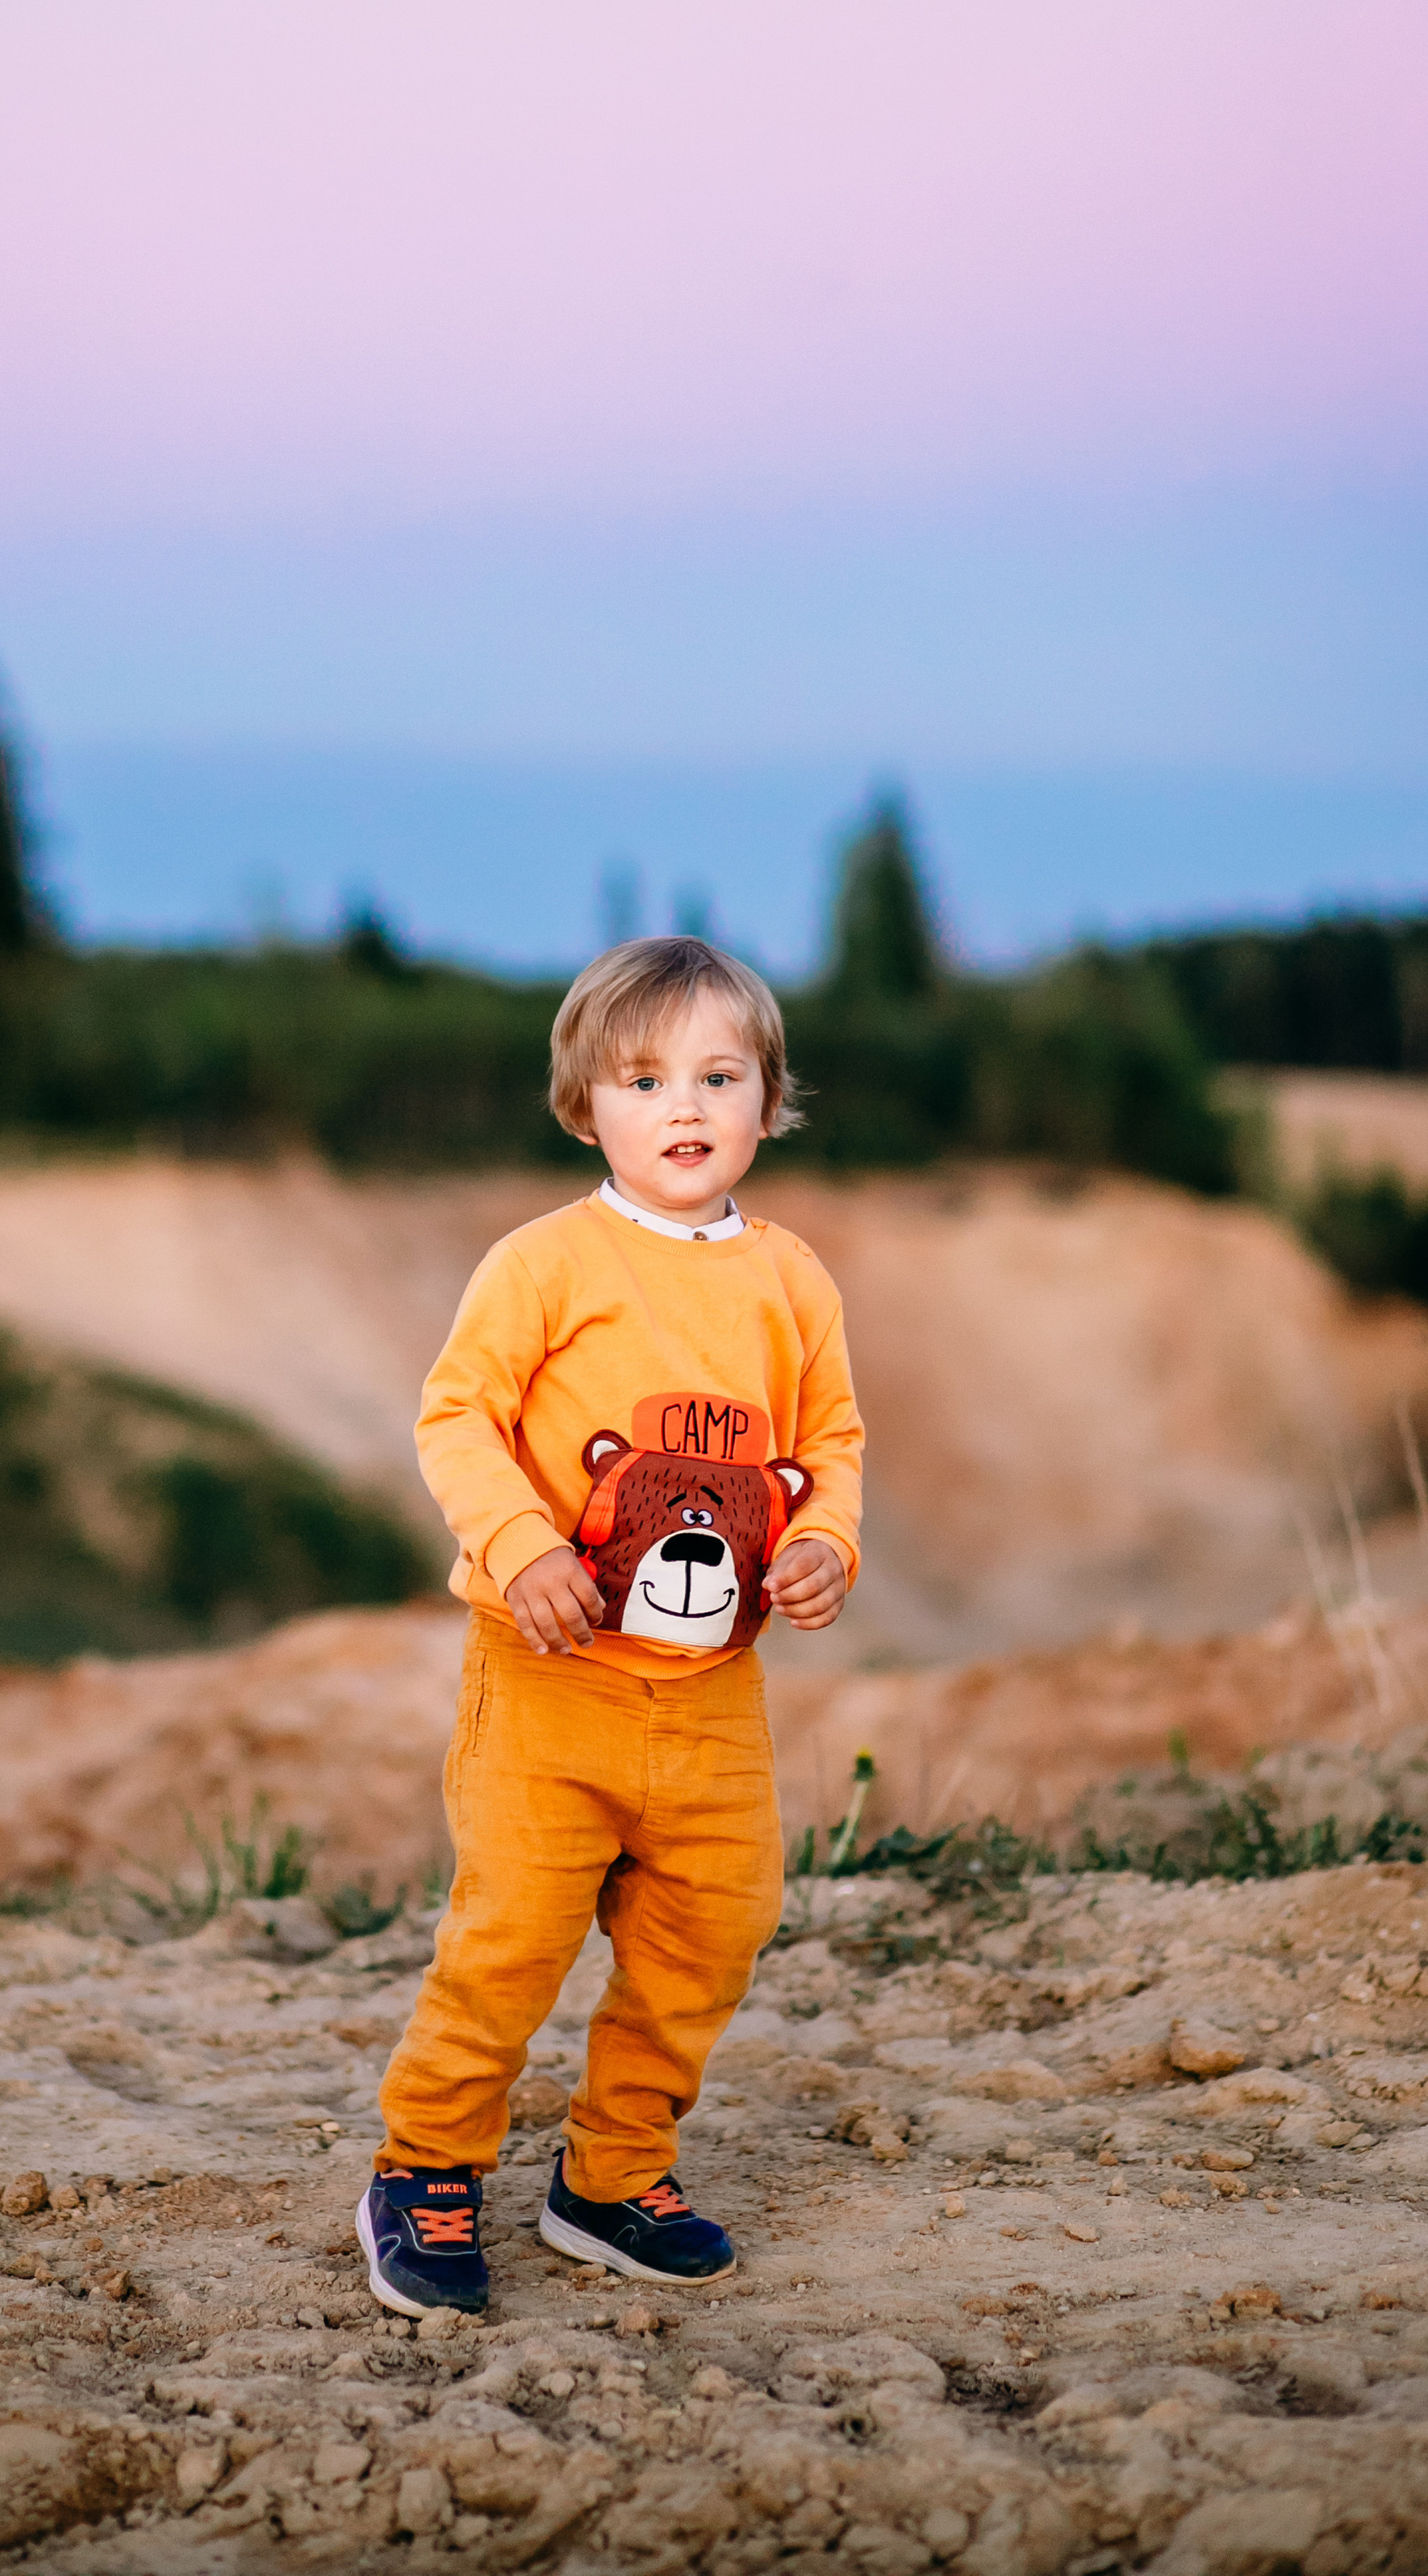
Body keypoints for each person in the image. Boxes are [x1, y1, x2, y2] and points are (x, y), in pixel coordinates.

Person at [358, 935, 864, 2315]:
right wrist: (519, 1545)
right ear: (588, 1104)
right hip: (549, 1673)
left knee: (717, 1921)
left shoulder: (792, 1280)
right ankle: (425, 2166)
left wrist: (824, 1540)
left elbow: (831, 1440)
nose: (686, 1109)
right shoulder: (544, 1264)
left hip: (709, 1693)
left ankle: (613, 2171)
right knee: (512, 1933)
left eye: (720, 1076)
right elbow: (454, 1415)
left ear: (771, 1101)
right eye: (645, 1080)